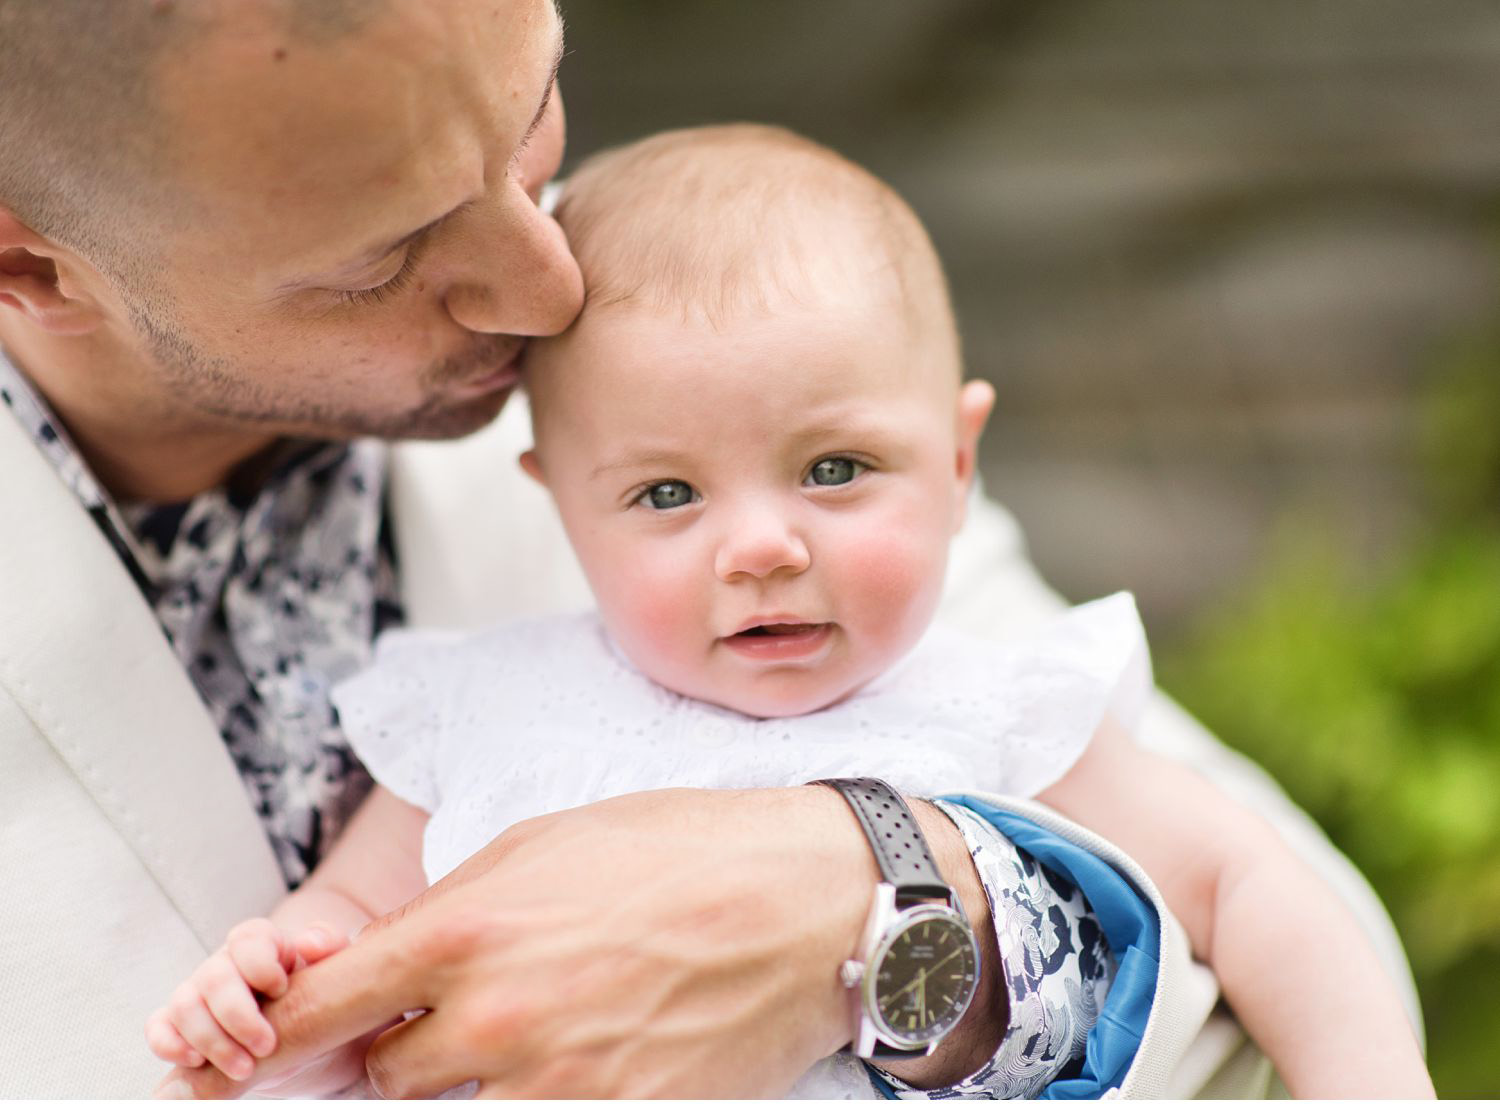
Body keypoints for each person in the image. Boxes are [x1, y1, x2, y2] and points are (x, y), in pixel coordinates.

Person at [0, 0, 1418, 1100]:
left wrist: (878, 903)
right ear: (31, 266)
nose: (548, 281)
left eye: (532, 112)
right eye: (386, 252)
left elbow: (1274, 951)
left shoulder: (712, 335)